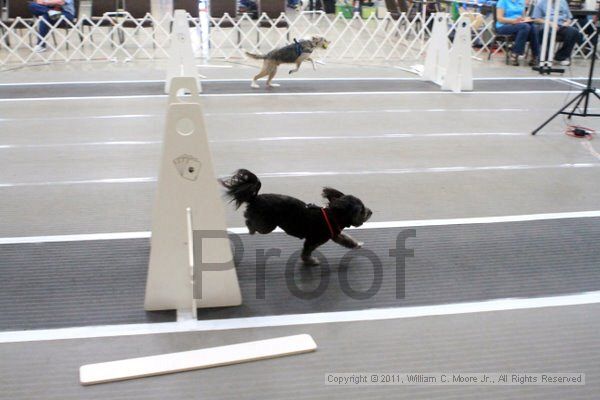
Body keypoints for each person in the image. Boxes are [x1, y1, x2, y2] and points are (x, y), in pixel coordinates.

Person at [532, 0, 583, 65]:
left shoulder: (563, 2)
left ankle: (561, 57)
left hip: (561, 25)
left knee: (574, 31)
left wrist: (567, 22)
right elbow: (536, 19)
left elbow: (569, 17)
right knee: (547, 32)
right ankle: (544, 58)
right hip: (547, 25)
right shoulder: (541, 3)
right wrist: (550, 23)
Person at [495, 0, 541, 66]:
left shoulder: (521, 1)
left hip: (519, 25)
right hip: (503, 25)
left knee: (532, 27)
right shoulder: (503, 1)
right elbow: (500, 19)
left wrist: (526, 19)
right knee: (525, 27)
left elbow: (523, 16)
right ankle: (515, 53)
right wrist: (513, 21)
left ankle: (535, 56)